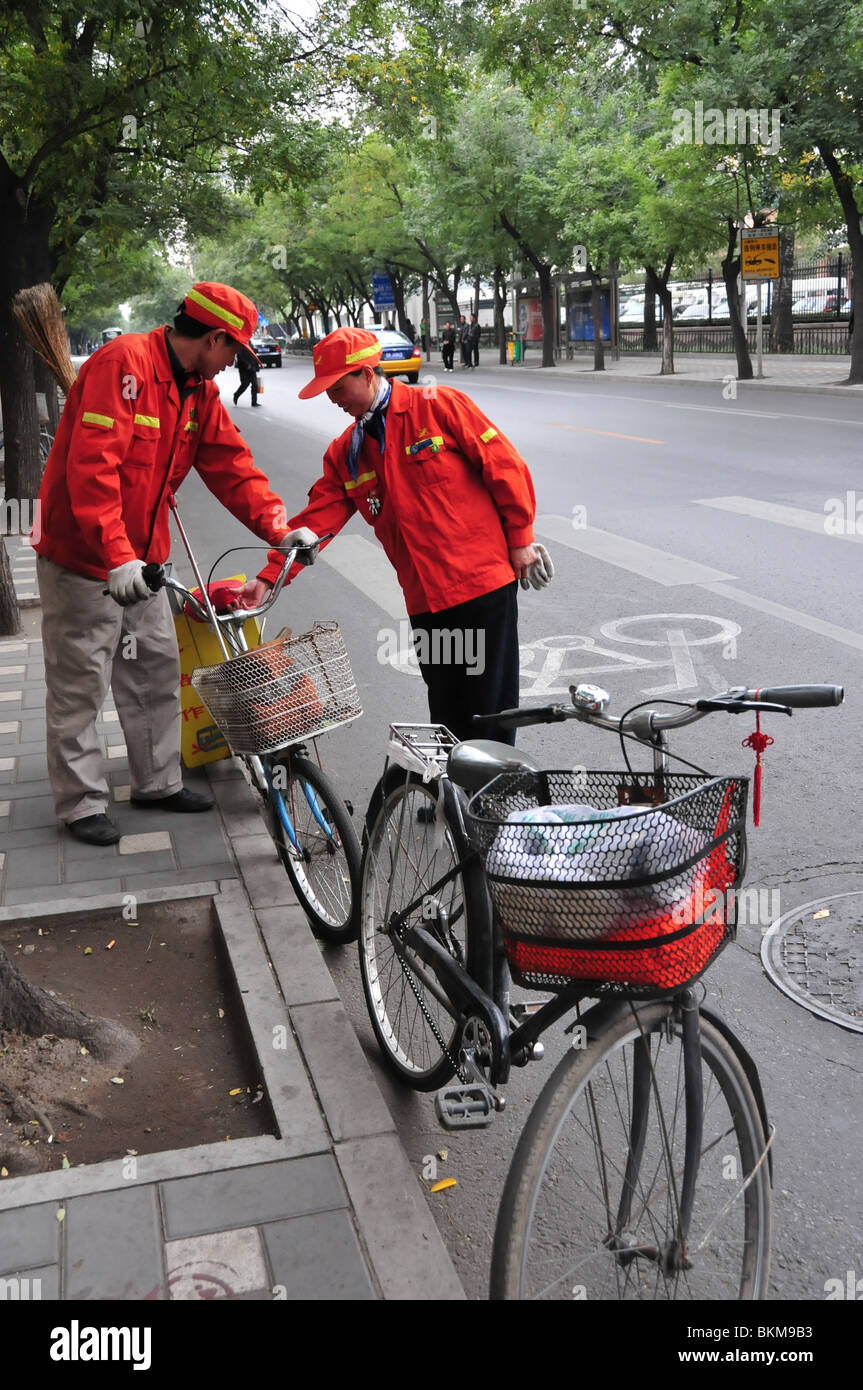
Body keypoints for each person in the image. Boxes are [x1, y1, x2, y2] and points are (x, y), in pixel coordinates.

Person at [33, 282, 296, 845]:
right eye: (235, 354)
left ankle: (156, 781)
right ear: (214, 338)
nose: (233, 367)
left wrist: (280, 527)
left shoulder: (200, 392)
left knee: (153, 670)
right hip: (85, 560)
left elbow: (232, 467)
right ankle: (81, 802)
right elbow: (92, 469)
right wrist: (115, 558)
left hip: (147, 563)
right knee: (81, 683)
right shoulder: (123, 364)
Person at [243, 326, 552, 745]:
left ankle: (486, 798)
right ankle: (449, 799)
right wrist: (268, 577)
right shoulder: (347, 452)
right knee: (446, 704)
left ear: (368, 374)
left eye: (337, 386)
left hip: (480, 591)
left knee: (488, 708)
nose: (332, 398)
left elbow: (504, 466)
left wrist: (521, 540)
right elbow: (315, 521)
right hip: (426, 599)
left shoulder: (438, 406)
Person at [233, 342, 260, 406]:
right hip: (244, 369)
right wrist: (247, 364)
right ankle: (236, 395)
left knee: (255, 385)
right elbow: (240, 357)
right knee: (245, 384)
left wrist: (256, 366)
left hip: (252, 367)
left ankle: (254, 402)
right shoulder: (241, 344)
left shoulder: (251, 344)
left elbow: (254, 354)